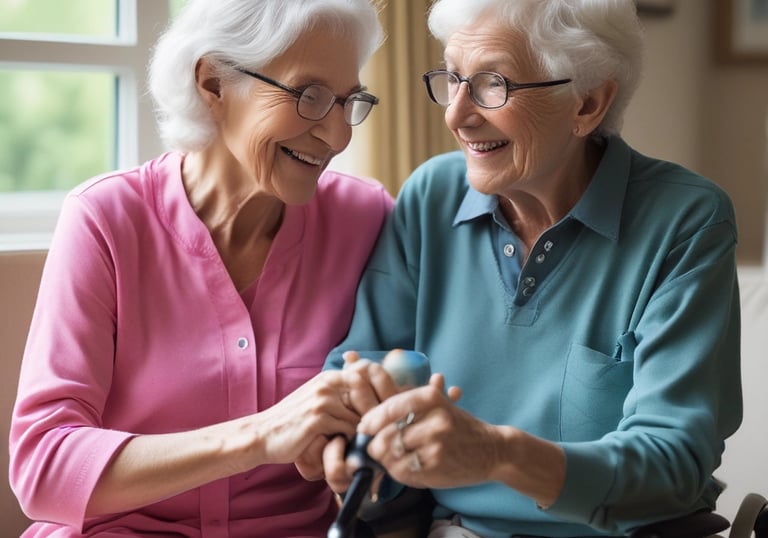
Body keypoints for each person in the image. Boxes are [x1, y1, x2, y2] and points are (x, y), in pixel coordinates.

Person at [322, 0, 742, 536]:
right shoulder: (432, 196)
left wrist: (498, 455)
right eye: (453, 79)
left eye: (493, 84)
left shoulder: (684, 222)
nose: (456, 114)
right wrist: (348, 438)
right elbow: (362, 366)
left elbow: (673, 461)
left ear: (587, 103)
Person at [8, 0, 395, 536]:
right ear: (213, 83)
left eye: (348, 101)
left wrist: (349, 449)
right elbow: (43, 468)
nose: (337, 135)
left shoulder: (367, 218)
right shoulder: (106, 220)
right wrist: (260, 436)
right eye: (310, 96)